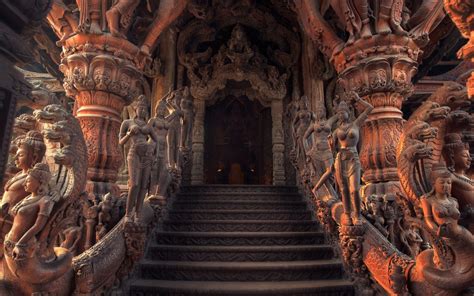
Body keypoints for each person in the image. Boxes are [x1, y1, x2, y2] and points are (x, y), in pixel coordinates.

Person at [332, 92, 373, 225]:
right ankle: (347, 214)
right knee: (343, 189)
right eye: (338, 113)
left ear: (348, 112)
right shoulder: (336, 130)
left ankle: (357, 215)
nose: (340, 115)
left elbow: (369, 108)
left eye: (342, 112)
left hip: (353, 158)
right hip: (340, 159)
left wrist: (358, 99)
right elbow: (332, 147)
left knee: (354, 189)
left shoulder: (356, 124)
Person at [119, 95, 159, 223]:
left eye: (144, 108)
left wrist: (152, 152)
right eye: (139, 108)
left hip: (146, 155)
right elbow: (121, 142)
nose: (142, 110)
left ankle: (138, 213)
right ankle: (127, 214)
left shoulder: (148, 125)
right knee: (134, 183)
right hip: (134, 152)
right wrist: (129, 134)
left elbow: (156, 140)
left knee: (143, 185)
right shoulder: (127, 123)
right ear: (135, 108)